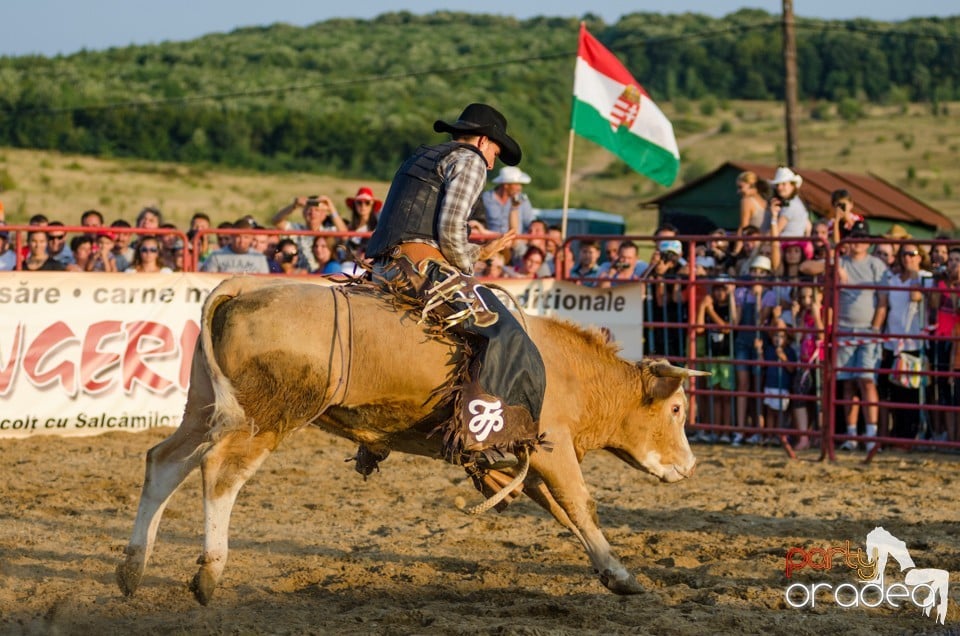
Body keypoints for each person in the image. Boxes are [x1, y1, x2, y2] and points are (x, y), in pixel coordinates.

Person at [365, 102, 545, 471]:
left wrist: (477, 252)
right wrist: (468, 267)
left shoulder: (422, 158)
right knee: (504, 331)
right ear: (483, 140)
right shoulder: (471, 161)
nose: (493, 162)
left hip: (384, 268)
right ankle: (475, 437)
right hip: (417, 267)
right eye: (495, 150)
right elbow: (449, 230)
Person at [803, 220, 887, 452]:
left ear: (868, 242)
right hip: (843, 330)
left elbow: (882, 302)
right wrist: (832, 263)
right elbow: (806, 268)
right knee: (848, 383)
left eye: (861, 238)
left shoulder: (876, 265)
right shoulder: (841, 262)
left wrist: (875, 329)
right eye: (853, 238)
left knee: (867, 382)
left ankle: (870, 436)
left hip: (867, 332)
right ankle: (851, 435)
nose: (857, 243)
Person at [876, 242, 931, 440]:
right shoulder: (892, 280)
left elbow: (916, 296)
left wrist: (915, 271)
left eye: (912, 254)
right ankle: (894, 434)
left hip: (913, 345)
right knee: (891, 392)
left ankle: (908, 436)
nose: (907, 258)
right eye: (904, 254)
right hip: (892, 344)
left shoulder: (925, 278)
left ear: (919, 257)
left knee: (910, 393)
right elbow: (885, 307)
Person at [272, 195, 348, 272]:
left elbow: (345, 235)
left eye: (317, 210)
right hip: (299, 276)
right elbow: (276, 221)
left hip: (323, 275)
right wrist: (294, 205)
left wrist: (331, 207)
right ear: (304, 213)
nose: (312, 213)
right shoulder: (296, 229)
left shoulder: (329, 232)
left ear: (324, 215)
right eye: (309, 210)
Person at [201, 218, 270, 274]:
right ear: (232, 236)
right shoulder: (216, 255)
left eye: (246, 237)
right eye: (238, 237)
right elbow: (208, 280)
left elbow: (264, 282)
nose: (242, 241)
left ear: (251, 238)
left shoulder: (259, 258)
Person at [481, 166, 535, 234]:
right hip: (491, 241)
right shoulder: (485, 198)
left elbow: (530, 224)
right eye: (516, 184)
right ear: (506, 185)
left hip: (516, 242)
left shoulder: (523, 200)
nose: (520, 188)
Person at [764, 167, 810, 238]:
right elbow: (808, 226)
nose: (779, 187)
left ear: (792, 185)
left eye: (783, 184)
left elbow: (775, 233)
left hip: (786, 245)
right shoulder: (796, 202)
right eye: (778, 185)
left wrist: (758, 242)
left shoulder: (791, 205)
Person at [344, 186, 382, 250]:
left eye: (367, 202)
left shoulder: (377, 227)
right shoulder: (349, 226)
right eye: (359, 202)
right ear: (355, 204)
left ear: (372, 205)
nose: (363, 206)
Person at [736, 171, 768, 235]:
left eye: (740, 187)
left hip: (753, 243)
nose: (738, 191)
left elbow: (744, 228)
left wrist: (737, 245)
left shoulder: (746, 201)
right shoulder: (766, 201)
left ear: (750, 184)